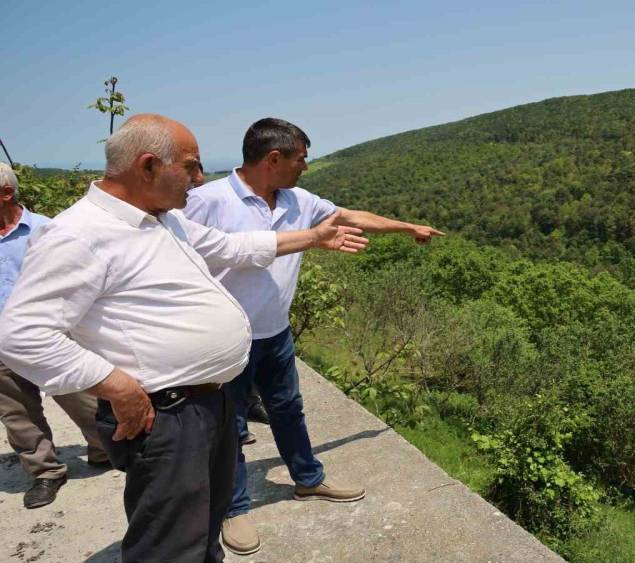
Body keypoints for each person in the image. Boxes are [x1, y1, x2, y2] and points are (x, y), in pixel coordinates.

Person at [0, 114, 368, 562]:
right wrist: (115, 385)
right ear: (148, 166)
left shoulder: (160, 219)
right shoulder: (79, 235)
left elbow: (230, 247)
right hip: (165, 416)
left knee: (204, 528)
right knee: (170, 546)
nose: (199, 179)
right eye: (191, 166)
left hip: (207, 402)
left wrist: (312, 237)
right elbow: (22, 334)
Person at [183, 117, 444, 555]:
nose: (306, 166)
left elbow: (349, 216)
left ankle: (308, 479)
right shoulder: (207, 200)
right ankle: (234, 507)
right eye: (301, 159)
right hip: (226, 338)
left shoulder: (297, 200)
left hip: (276, 332)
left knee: (288, 409)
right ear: (273, 158)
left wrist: (407, 227)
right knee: (230, 426)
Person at [0, 162, 110, 509]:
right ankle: (46, 472)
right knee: (18, 413)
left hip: (52, 335)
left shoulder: (46, 230)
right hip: (2, 344)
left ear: (6, 193)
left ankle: (104, 448)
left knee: (81, 397)